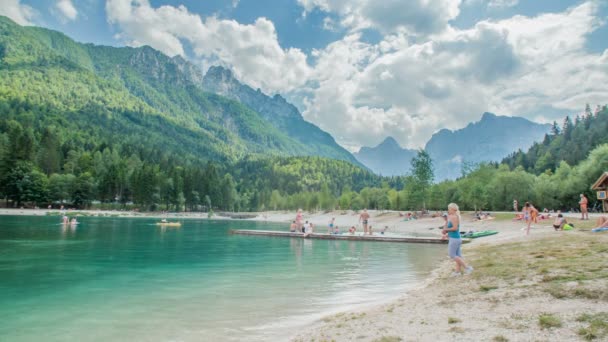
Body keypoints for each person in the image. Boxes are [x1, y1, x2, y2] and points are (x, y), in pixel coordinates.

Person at [442, 203, 473, 276]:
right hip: (455, 238)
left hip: (455, 239)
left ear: (452, 209)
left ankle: (467, 268)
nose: (448, 210)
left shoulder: (454, 217)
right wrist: (446, 222)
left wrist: (446, 229)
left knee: (452, 255)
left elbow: (455, 228)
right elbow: (449, 228)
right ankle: (457, 272)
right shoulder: (452, 216)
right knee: (458, 256)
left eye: (449, 208)